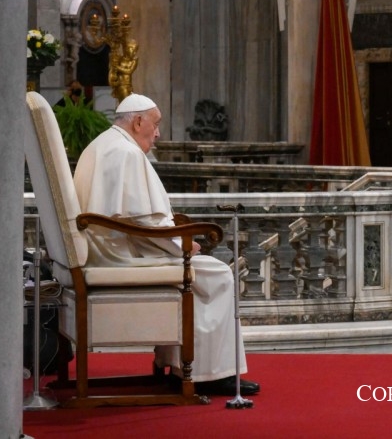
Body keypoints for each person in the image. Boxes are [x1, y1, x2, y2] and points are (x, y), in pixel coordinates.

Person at [72, 93, 259, 397]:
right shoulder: (126, 153)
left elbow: (131, 217)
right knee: (219, 274)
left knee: (204, 272)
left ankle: (179, 364)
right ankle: (209, 374)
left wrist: (176, 239)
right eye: (155, 124)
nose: (158, 133)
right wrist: (182, 244)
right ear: (138, 121)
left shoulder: (101, 145)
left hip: (105, 251)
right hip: (120, 257)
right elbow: (143, 223)